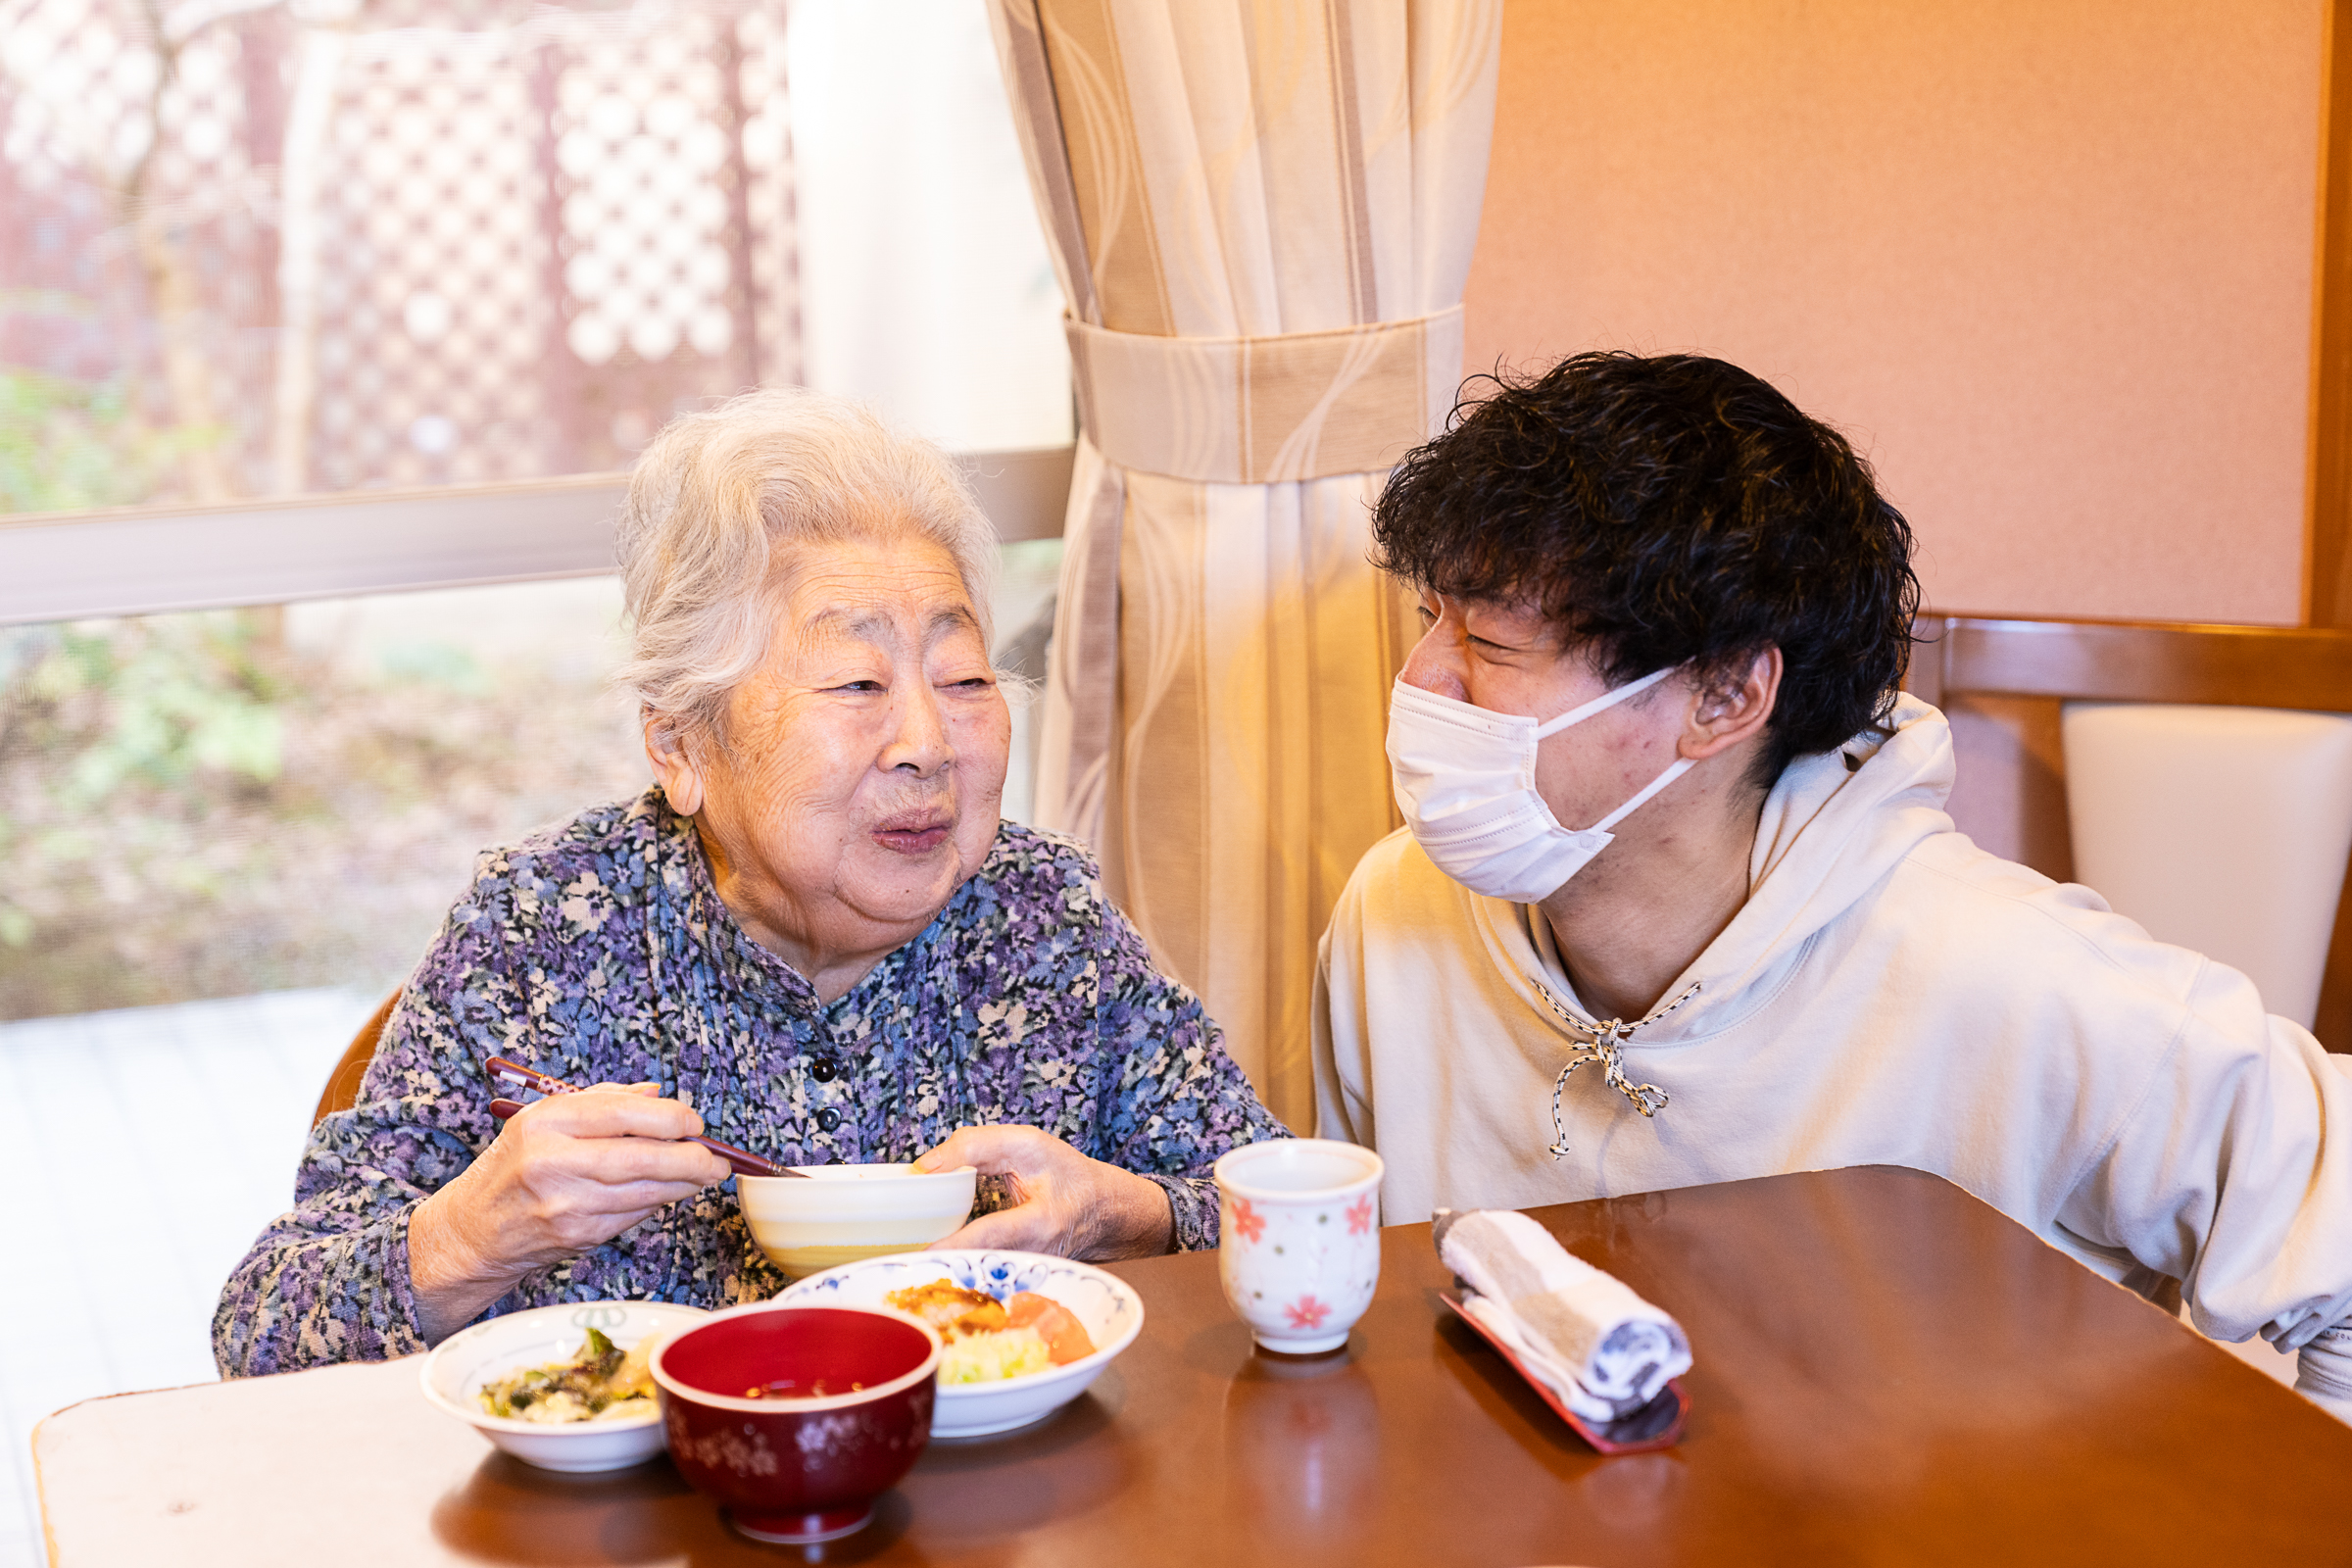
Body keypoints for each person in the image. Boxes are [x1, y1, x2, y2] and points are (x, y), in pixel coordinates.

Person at [1311, 351, 2352, 1420]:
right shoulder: (1396, 916)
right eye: (1431, 617)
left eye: (1487, 638)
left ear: (1722, 695)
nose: (1421, 679)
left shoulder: (1998, 975)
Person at [216, 389, 1286, 1377]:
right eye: (857, 682)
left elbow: (1281, 1205)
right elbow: (260, 1329)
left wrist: (1128, 1211)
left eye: (963, 679)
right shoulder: (539, 932)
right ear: (681, 745)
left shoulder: (1042, 917)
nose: (929, 742)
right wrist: (469, 1233)